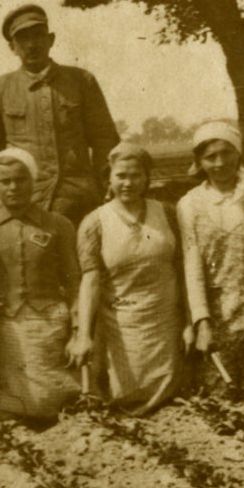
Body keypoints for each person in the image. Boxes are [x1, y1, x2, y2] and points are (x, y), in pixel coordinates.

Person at [0, 4, 121, 225]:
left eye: (38, 36)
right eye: (23, 39)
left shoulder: (81, 81)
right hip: (25, 205)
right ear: (12, 47)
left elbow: (105, 141)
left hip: (81, 202)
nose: (32, 45)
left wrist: (106, 189)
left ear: (51, 39)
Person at [71, 142, 185, 415]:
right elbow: (90, 281)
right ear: (108, 178)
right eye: (121, 175)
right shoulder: (94, 223)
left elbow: (182, 269)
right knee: (124, 396)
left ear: (146, 178)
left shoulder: (167, 213)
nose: (128, 182)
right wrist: (84, 335)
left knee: (174, 395)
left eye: (136, 175)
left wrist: (190, 321)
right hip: (123, 327)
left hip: (166, 325)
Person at [0, 147, 82, 421]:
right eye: (5, 181)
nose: (13, 187)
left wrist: (78, 330)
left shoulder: (58, 225)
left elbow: (75, 283)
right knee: (14, 402)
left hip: (50, 324)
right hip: (4, 325)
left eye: (20, 180)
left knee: (52, 398)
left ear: (32, 182)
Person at [176, 122, 244, 402]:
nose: (220, 163)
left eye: (226, 153)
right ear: (199, 161)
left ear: (238, 154)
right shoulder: (189, 204)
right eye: (210, 157)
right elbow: (193, 266)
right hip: (217, 317)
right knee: (220, 396)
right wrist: (202, 322)